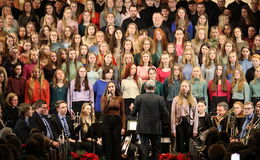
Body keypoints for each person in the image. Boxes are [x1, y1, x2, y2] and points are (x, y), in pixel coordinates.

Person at [130, 80, 168, 159]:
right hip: (156, 128)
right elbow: (166, 114)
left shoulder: (139, 98)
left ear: (145, 87)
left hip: (143, 128)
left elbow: (133, 114)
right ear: (155, 88)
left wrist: (132, 109)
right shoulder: (160, 99)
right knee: (156, 151)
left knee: (145, 151)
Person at [171, 80, 198, 153]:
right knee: (180, 144)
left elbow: (195, 115)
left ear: (189, 88)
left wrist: (195, 129)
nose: (184, 88)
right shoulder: (176, 99)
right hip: (179, 123)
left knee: (188, 144)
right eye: (182, 86)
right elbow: (173, 114)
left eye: (186, 86)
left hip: (189, 123)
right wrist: (173, 128)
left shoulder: (193, 100)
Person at [101, 81, 125, 160]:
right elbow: (103, 112)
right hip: (107, 121)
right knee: (107, 143)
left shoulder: (120, 98)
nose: (111, 88)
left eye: (113, 86)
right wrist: (108, 101)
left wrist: (123, 127)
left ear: (115, 88)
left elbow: (123, 113)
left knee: (116, 143)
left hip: (117, 121)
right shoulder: (104, 97)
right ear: (107, 89)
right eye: (109, 87)